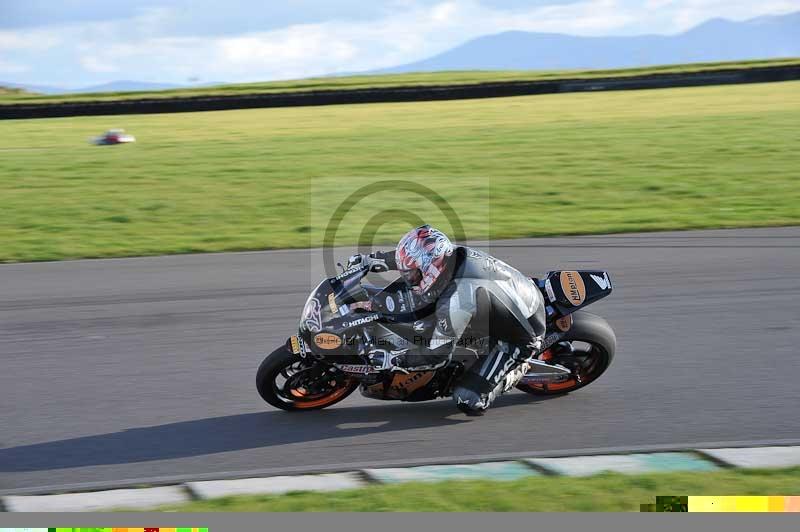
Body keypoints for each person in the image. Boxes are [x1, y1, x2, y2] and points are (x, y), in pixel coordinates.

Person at [348, 225, 546, 415]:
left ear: (431, 270)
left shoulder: (458, 299)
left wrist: (394, 359)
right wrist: (369, 260)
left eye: (413, 275)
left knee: (467, 400)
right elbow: (410, 258)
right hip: (508, 300)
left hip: (519, 336)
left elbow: (437, 355)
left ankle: (516, 369)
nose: (408, 279)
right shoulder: (447, 256)